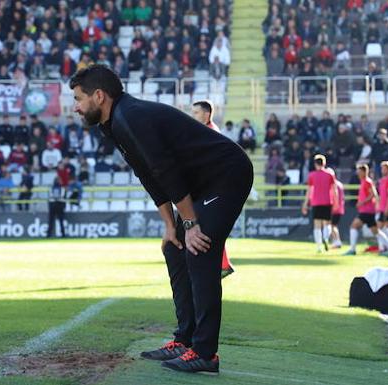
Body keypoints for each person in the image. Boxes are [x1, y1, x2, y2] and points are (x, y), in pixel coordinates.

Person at [70, 65, 253, 375]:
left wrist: (192, 224)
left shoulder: (131, 117)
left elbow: (165, 169)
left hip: (227, 174)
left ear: (99, 96)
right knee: (175, 247)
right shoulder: (113, 122)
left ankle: (206, 353)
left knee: (200, 249)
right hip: (199, 184)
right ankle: (185, 340)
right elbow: (149, 174)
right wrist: (172, 226)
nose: (75, 106)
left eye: (78, 98)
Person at [190, 100, 235, 279]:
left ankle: (219, 265)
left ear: (206, 114)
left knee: (207, 226)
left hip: (211, 187)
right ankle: (222, 264)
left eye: (196, 113)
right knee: (207, 226)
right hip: (209, 186)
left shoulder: (210, 132)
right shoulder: (207, 131)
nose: (192, 116)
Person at [344, 164, 388, 255]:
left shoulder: (367, 181)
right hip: (367, 211)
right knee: (376, 231)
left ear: (364, 172)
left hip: (366, 210)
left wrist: (362, 202)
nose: (357, 173)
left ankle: (352, 249)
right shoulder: (364, 181)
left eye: (359, 171)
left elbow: (373, 194)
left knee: (353, 226)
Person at [301, 155, 338, 253]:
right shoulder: (330, 174)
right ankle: (326, 238)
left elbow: (309, 191)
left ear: (315, 164)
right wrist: (336, 202)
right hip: (327, 201)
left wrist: (305, 204)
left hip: (316, 202)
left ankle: (319, 247)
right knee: (327, 223)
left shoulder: (312, 175)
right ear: (324, 163)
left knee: (317, 225)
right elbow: (335, 190)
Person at [329, 169, 345, 249]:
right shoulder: (340, 184)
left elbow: (335, 197)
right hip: (340, 208)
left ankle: (337, 241)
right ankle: (336, 241)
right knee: (333, 226)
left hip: (335, 208)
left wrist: (334, 206)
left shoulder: (334, 185)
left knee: (332, 226)